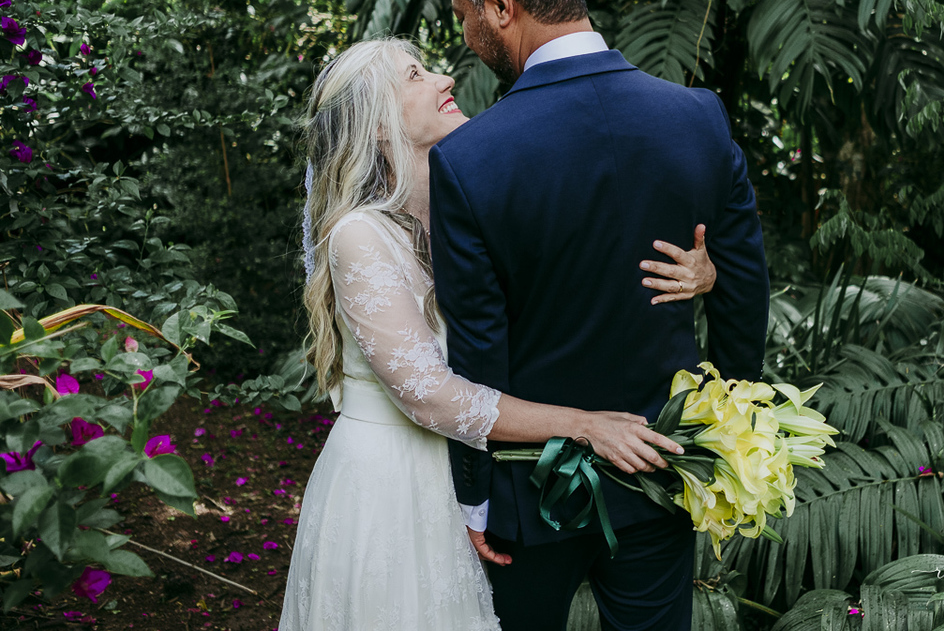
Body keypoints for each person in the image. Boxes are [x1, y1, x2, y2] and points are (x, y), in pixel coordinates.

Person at [277, 37, 718, 631]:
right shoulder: (360, 234)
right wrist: (584, 424)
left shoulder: (463, 203)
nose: (442, 79)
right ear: (378, 125)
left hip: (461, 477)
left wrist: (702, 275)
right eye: (414, 76)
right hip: (391, 488)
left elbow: (566, 282)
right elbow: (429, 393)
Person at [432, 0, 771, 631]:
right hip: (662, 471)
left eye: (464, 15)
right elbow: (744, 293)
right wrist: (725, 446)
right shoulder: (698, 118)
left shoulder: (468, 163)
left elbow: (479, 354)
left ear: (501, 6)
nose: (464, 36)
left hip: (530, 498)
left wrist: (475, 498)